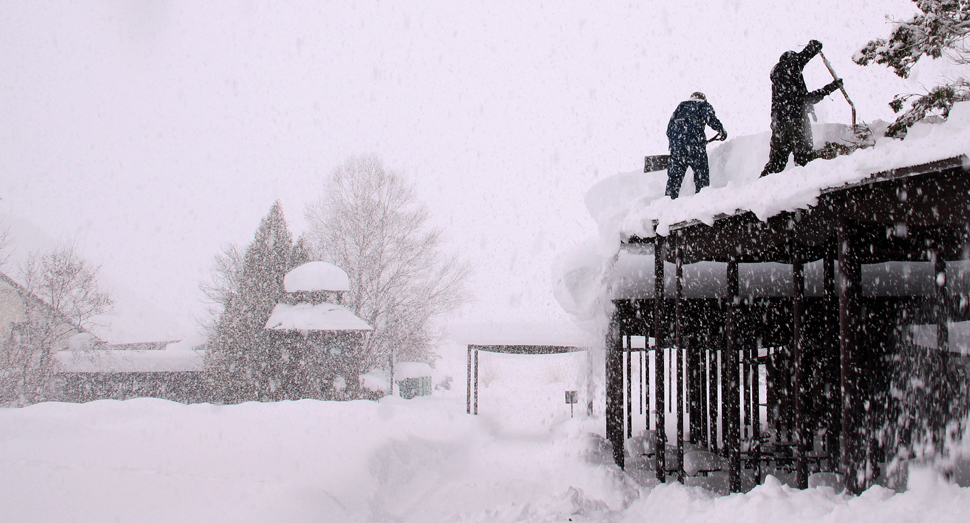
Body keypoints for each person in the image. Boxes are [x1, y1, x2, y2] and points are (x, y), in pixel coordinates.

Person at [759, 40, 843, 177]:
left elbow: (803, 99)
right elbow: (803, 99)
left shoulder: (782, 82)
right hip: (796, 122)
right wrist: (812, 49)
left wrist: (829, 88)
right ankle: (804, 188)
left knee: (775, 163)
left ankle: (760, 189)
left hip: (779, 126)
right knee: (804, 160)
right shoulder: (787, 68)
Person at [665, 92, 726, 199]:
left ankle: (667, 205)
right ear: (702, 98)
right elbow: (709, 118)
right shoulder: (702, 104)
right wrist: (721, 130)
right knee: (701, 177)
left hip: (677, 149)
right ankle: (702, 202)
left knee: (674, 179)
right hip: (695, 147)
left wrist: (677, 143)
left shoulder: (680, 108)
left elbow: (669, 130)